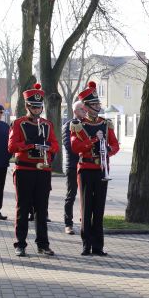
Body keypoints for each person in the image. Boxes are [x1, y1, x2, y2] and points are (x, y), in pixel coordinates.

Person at [9, 83, 59, 256]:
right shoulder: (18, 123)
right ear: (27, 106)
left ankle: (43, 244)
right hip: (24, 170)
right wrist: (29, 146)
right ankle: (20, 244)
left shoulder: (47, 125)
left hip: (43, 171)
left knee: (41, 209)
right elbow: (11, 146)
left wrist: (49, 148)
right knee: (22, 208)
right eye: (33, 107)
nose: (37, 110)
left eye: (39, 107)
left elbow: (55, 144)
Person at [71, 82, 119, 256]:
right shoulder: (78, 125)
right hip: (85, 169)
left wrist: (108, 149)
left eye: (98, 104)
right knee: (86, 207)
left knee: (99, 209)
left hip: (101, 169)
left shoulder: (106, 124)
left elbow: (115, 145)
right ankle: (86, 244)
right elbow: (76, 148)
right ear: (87, 106)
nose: (98, 107)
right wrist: (93, 141)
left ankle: (98, 246)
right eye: (95, 104)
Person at [62, 100, 85, 235]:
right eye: (82, 109)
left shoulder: (88, 124)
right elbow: (70, 147)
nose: (85, 112)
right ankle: (68, 224)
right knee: (71, 195)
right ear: (75, 111)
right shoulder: (68, 126)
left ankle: (85, 221)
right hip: (73, 166)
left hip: (87, 166)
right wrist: (86, 148)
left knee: (86, 196)